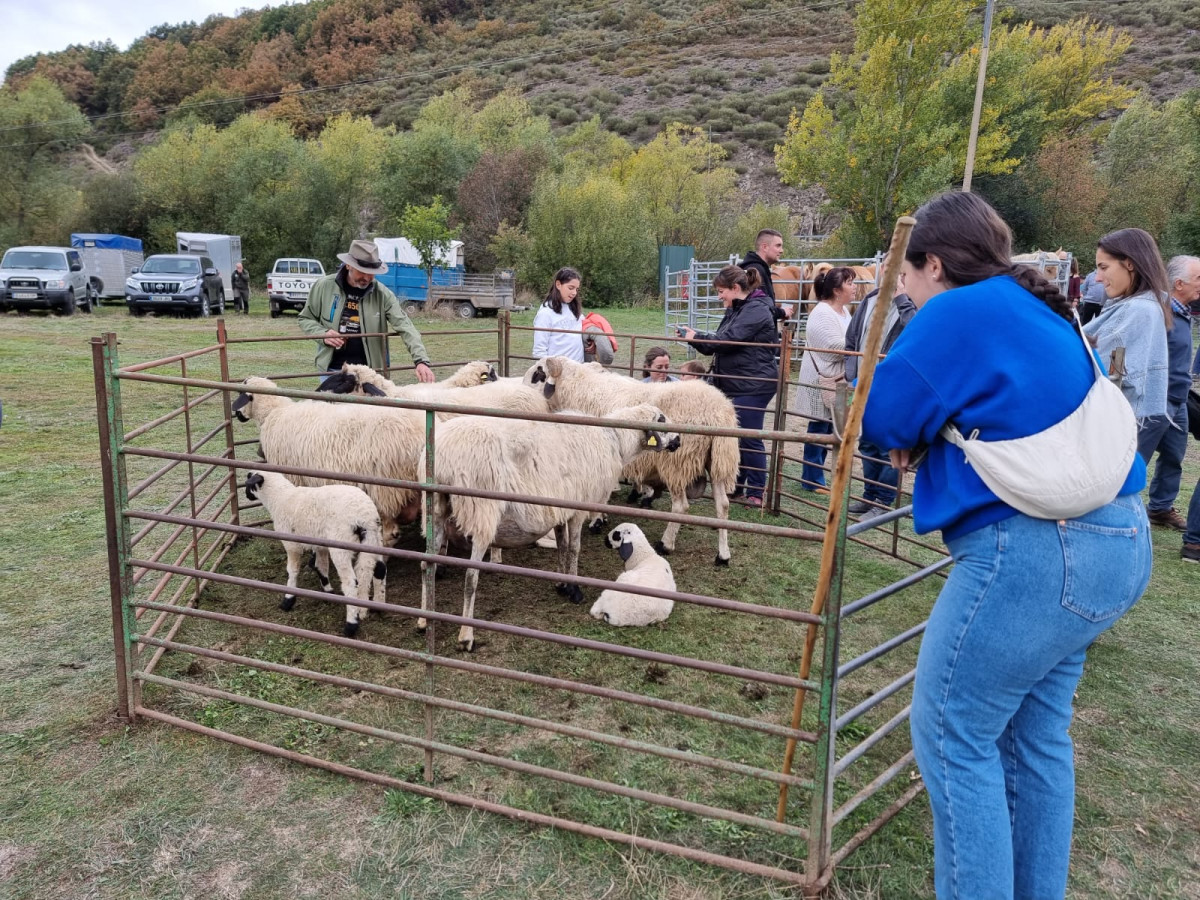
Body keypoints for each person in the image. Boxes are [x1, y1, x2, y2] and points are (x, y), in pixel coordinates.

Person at [862, 191, 1150, 900]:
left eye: (907, 274)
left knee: (954, 738)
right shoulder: (1039, 304)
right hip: (1113, 540)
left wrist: (917, 437)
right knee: (1034, 742)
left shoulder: (957, 309)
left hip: (1034, 556)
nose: (903, 287)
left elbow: (883, 415)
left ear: (933, 262)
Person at [679, 265, 779, 507]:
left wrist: (696, 339)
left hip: (753, 384)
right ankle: (738, 485)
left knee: (748, 436)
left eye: (722, 291)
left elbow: (726, 340)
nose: (719, 296)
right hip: (738, 381)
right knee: (735, 437)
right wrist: (697, 337)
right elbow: (723, 339)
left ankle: (756, 491)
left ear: (736, 288)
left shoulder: (755, 310)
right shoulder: (738, 308)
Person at [298, 238, 434, 383]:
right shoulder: (324, 287)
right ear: (348, 266)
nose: (367, 277)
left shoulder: (383, 294)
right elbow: (306, 318)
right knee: (332, 405)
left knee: (371, 406)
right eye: (362, 271)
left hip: (370, 373)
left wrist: (421, 360)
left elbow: (405, 326)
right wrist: (322, 333)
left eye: (372, 272)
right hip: (332, 370)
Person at [842, 272, 916, 519]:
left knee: (887, 445)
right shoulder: (870, 299)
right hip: (864, 383)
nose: (889, 273)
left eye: (896, 268)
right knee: (867, 442)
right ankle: (869, 495)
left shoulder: (914, 302)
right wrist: (851, 370)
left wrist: (902, 297)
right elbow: (853, 336)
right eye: (886, 266)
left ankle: (883, 501)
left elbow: (915, 329)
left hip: (893, 385)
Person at [1137, 255, 1199, 531]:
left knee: (1174, 455)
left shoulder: (1184, 312)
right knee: (1137, 456)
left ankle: (1160, 508)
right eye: (1198, 279)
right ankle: (1113, 506)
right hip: (1155, 400)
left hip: (1179, 399)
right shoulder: (1158, 313)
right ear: (1179, 283)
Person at [1083, 229, 1170, 424]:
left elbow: (1105, 374)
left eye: (1103, 267)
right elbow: (1117, 366)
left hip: (1104, 423)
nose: (1097, 278)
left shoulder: (1135, 311)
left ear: (1130, 263)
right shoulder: (1147, 307)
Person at [792, 266, 855, 492]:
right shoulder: (822, 313)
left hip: (835, 379)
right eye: (850, 283)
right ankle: (811, 479)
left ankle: (816, 477)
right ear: (837, 290)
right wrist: (860, 346)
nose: (855, 287)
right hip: (821, 380)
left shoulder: (843, 312)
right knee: (818, 428)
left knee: (828, 429)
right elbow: (831, 347)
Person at [533, 267, 584, 362]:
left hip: (578, 369)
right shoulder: (545, 313)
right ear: (558, 284)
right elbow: (539, 350)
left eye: (576, 289)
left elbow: (583, 330)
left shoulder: (574, 309)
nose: (574, 293)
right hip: (558, 372)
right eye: (570, 288)